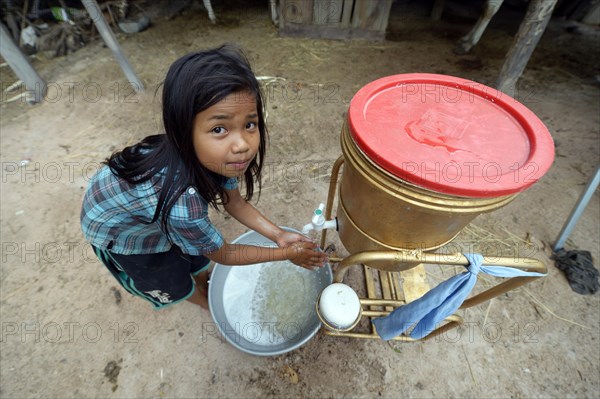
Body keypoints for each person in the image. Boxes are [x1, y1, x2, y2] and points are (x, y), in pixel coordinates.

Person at [80, 44, 327, 310]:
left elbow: (235, 202)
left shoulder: (218, 160)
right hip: (118, 230)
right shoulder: (183, 207)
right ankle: (204, 302)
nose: (242, 143)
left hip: (146, 204)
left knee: (193, 251)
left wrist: (278, 235)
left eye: (249, 124)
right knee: (169, 278)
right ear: (184, 131)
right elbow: (225, 254)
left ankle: (201, 277)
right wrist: (286, 254)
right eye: (219, 128)